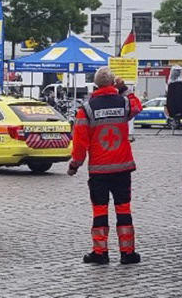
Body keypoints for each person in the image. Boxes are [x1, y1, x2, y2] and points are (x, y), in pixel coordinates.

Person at [68, 66, 143, 265]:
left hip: (99, 171)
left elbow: (80, 142)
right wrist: (124, 88)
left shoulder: (86, 109)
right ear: (112, 84)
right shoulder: (124, 102)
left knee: (100, 211)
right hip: (122, 168)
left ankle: (100, 253)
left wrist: (75, 165)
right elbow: (137, 106)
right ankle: (128, 253)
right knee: (124, 209)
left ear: (95, 85)